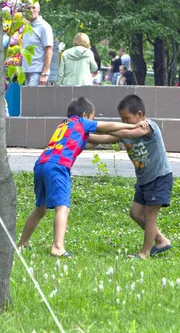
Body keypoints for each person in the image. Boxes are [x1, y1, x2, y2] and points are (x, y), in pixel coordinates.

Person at [17, 96, 148, 257]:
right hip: (58, 165)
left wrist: (124, 135)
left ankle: (23, 242)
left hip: (41, 164)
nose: (92, 123)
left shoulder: (65, 126)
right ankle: (58, 247)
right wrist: (133, 125)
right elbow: (108, 127)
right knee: (62, 207)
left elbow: (100, 140)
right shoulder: (80, 122)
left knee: (40, 209)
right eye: (92, 119)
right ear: (85, 115)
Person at [88, 94, 173, 259]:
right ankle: (161, 240)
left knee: (149, 216)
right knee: (135, 213)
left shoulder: (148, 126)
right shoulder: (126, 131)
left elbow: (133, 132)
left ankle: (144, 253)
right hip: (143, 181)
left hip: (159, 178)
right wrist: (77, 135)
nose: (124, 122)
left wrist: (97, 125)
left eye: (126, 118)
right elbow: (101, 139)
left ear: (140, 115)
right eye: (121, 119)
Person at [21, 1, 53, 86]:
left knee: (30, 99)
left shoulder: (44, 27)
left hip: (37, 72)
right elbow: (24, 50)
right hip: (25, 71)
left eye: (33, 8)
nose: (31, 10)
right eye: (28, 8)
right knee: (25, 99)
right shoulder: (26, 26)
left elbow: (49, 51)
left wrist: (44, 74)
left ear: (38, 9)